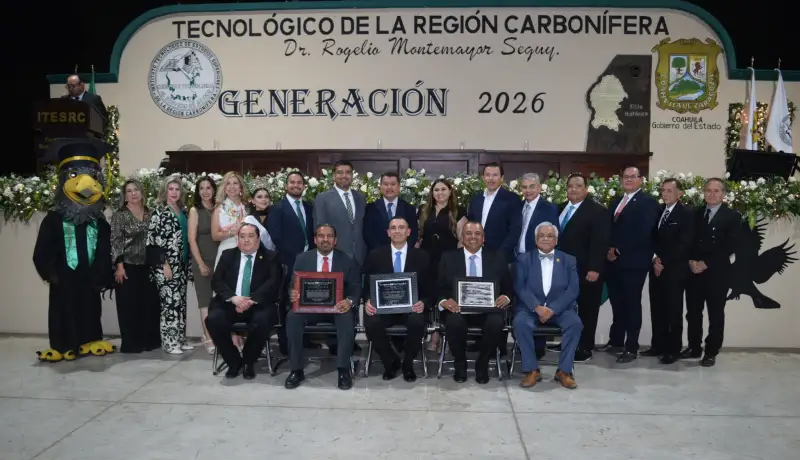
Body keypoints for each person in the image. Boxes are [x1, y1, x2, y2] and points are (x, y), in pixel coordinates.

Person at [32, 138, 115, 362]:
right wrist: (53, 274)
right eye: (75, 175)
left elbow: (106, 250)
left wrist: (101, 276)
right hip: (64, 280)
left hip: (90, 279)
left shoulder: (99, 222)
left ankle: (90, 339)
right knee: (62, 311)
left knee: (90, 310)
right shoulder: (53, 220)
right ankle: (62, 345)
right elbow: (42, 250)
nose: (86, 185)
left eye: (92, 177)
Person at [284, 224, 361, 390]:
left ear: (335, 240)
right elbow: (292, 285)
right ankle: (296, 370)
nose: (325, 239)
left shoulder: (347, 259)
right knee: (292, 317)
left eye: (329, 236)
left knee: (347, 318)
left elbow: (355, 287)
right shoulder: (302, 258)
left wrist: (349, 301)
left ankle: (343, 370)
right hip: (309, 308)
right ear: (315, 239)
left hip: (337, 308)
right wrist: (293, 294)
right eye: (321, 236)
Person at [437, 221, 513, 384]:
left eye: (477, 233)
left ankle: (482, 364)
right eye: (468, 233)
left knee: (496, 322)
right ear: (462, 237)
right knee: (454, 322)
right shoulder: (448, 257)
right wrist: (444, 301)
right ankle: (460, 363)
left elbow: (509, 287)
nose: (473, 237)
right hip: (457, 309)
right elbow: (438, 288)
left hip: (489, 309)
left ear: (483, 238)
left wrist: (506, 297)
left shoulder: (497, 258)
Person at [205, 223, 281, 380]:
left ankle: (248, 361)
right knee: (213, 320)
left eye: (250, 236)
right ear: (237, 239)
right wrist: (234, 298)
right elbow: (216, 281)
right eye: (242, 236)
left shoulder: (270, 257)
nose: (246, 240)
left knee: (263, 320)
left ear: (258, 240)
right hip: (231, 302)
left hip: (257, 304)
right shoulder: (228, 255)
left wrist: (251, 300)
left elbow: (274, 283)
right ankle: (233, 361)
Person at [514, 222, 582, 389]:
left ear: (556, 240)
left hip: (560, 310)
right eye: (542, 235)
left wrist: (553, 309)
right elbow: (520, 287)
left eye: (550, 236)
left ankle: (564, 371)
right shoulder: (523, 259)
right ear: (536, 240)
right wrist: (537, 307)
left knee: (575, 324)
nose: (545, 238)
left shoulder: (568, 260)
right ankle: (532, 370)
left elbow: (573, 290)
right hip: (531, 309)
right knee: (520, 323)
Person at [362, 217, 430, 382]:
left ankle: (408, 364)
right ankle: (389, 361)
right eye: (393, 228)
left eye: (401, 227)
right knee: (372, 322)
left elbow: (431, 286)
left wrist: (424, 302)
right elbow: (366, 286)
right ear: (388, 232)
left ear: (408, 232)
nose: (397, 231)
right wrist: (368, 300)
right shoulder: (375, 255)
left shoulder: (422, 256)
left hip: (412, 308)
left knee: (417, 322)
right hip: (384, 309)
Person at [605, 166, 661, 363]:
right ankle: (616, 341)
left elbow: (643, 232)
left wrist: (618, 249)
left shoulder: (648, 203)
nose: (628, 179)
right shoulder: (615, 201)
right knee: (617, 303)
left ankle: (631, 346)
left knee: (631, 304)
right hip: (613, 262)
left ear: (641, 180)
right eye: (625, 176)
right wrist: (609, 249)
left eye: (632, 176)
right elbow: (609, 229)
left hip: (634, 262)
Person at [685, 178, 741, 367]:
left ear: (723, 194)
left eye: (716, 191)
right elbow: (688, 240)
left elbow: (730, 246)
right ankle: (694, 347)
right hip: (694, 272)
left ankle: (711, 351)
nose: (711, 194)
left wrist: (706, 263)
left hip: (717, 274)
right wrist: (691, 261)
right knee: (693, 313)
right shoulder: (695, 213)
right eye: (708, 190)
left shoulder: (732, 216)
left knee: (715, 315)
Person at [555, 173, 610, 362]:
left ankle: (585, 347)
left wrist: (595, 268)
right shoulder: (559, 208)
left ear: (586, 189)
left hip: (587, 270)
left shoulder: (597, 211)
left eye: (578, 186)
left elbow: (600, 242)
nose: (574, 189)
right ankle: (567, 341)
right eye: (570, 186)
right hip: (562, 270)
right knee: (566, 308)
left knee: (587, 310)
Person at [267, 171, 316, 355]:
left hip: (309, 262)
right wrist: (296, 256)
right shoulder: (277, 208)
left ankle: (305, 339)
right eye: (292, 182)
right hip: (288, 263)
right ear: (286, 185)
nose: (296, 185)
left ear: (304, 186)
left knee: (307, 300)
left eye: (299, 182)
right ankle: (286, 343)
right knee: (287, 302)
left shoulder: (309, 207)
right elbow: (276, 236)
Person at [646, 178, 694, 364]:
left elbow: (684, 244)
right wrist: (655, 259)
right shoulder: (659, 211)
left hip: (675, 270)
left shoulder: (686, 213)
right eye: (663, 190)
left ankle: (673, 349)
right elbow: (652, 238)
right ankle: (658, 345)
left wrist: (663, 261)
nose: (665, 194)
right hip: (656, 268)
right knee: (657, 309)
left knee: (673, 311)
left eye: (669, 190)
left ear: (680, 193)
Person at [111, 179, 160, 353]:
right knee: (129, 306)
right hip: (128, 266)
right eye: (129, 191)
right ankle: (132, 343)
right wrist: (119, 265)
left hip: (148, 266)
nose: (133, 193)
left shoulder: (150, 212)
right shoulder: (120, 215)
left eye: (136, 190)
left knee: (149, 305)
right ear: (125, 196)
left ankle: (150, 341)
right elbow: (116, 241)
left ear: (142, 193)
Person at [417, 178, 467, 352]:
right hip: (427, 260)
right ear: (432, 193)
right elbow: (419, 237)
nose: (440, 193)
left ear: (450, 191)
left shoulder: (458, 211)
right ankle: (433, 334)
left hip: (448, 260)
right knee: (430, 296)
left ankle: (443, 338)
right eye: (436, 190)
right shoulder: (424, 210)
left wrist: (458, 262)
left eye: (443, 189)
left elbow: (462, 240)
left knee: (444, 295)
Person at [514, 172, 560, 359]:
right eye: (524, 187)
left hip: (537, 260)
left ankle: (538, 346)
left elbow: (552, 236)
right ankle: (521, 343)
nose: (528, 191)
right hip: (517, 260)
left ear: (540, 188)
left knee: (538, 300)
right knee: (520, 301)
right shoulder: (518, 206)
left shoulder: (549, 208)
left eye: (532, 186)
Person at [147, 175, 193, 355]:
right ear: (165, 191)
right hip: (165, 265)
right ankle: (170, 343)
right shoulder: (159, 211)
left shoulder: (182, 211)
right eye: (170, 189)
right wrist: (164, 264)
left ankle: (180, 339)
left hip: (181, 264)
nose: (174, 192)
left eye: (177, 189)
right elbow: (153, 241)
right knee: (170, 304)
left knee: (180, 303)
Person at [312, 161, 367, 266]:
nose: (344, 176)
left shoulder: (360, 198)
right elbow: (319, 228)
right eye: (340, 172)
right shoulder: (323, 198)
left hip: (360, 256)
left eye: (348, 172)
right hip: (335, 256)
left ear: (352, 176)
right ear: (333, 176)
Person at [187, 176, 219, 354]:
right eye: (202, 188)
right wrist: (200, 264)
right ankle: (208, 337)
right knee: (205, 301)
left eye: (208, 187)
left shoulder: (219, 208)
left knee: (220, 300)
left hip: (220, 260)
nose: (205, 191)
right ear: (198, 192)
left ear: (214, 189)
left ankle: (222, 335)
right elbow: (191, 239)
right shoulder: (195, 210)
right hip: (203, 260)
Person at [466, 162, 522, 262]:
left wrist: (501, 255)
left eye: (495, 175)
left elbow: (515, 231)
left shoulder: (512, 199)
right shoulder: (476, 199)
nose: (491, 178)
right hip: (477, 255)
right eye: (488, 175)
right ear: (483, 178)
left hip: (501, 257)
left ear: (502, 178)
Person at [363, 172, 419, 252]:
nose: (389, 187)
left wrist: (400, 251)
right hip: (377, 255)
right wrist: (383, 253)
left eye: (393, 184)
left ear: (399, 187)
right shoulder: (370, 208)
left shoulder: (409, 209)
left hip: (403, 255)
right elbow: (368, 234)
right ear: (380, 187)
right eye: (386, 184)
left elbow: (413, 234)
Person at [211, 172, 249, 269]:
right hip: (227, 250)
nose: (232, 186)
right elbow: (215, 236)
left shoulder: (248, 207)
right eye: (228, 183)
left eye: (235, 183)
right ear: (224, 187)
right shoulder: (219, 208)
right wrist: (231, 233)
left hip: (248, 251)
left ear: (240, 187)